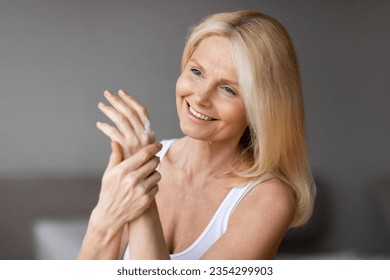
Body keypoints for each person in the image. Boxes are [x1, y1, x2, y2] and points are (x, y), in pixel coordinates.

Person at [78, 10, 316, 260]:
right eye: (197, 72)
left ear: (263, 108)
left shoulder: (268, 199)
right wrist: (103, 219)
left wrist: (142, 195)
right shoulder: (140, 159)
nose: (201, 97)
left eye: (228, 89)